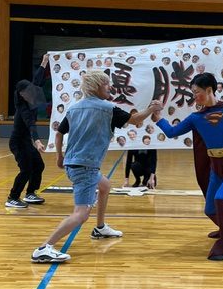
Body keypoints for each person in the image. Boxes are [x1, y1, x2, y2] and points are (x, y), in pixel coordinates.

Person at [31, 71, 162, 263]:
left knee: (105, 186)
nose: (110, 87)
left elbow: (59, 133)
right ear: (96, 87)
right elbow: (135, 120)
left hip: (76, 164)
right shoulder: (108, 108)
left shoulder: (74, 108)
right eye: (106, 84)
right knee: (81, 214)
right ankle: (44, 248)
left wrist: (59, 157)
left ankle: (100, 228)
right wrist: (152, 108)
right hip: (85, 167)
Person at [154, 72, 223, 261]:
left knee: (222, 199)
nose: (194, 96)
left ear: (209, 90)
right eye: (193, 93)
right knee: (210, 209)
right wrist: (159, 118)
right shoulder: (196, 118)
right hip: (216, 168)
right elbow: (172, 132)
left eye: (197, 92)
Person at [5, 54, 49, 208]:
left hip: (25, 142)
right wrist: (37, 141)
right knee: (26, 169)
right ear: (22, 94)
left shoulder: (31, 96)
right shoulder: (23, 109)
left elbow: (37, 80)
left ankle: (30, 193)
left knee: (39, 165)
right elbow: (31, 124)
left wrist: (44, 62)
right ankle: (12, 197)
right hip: (17, 143)